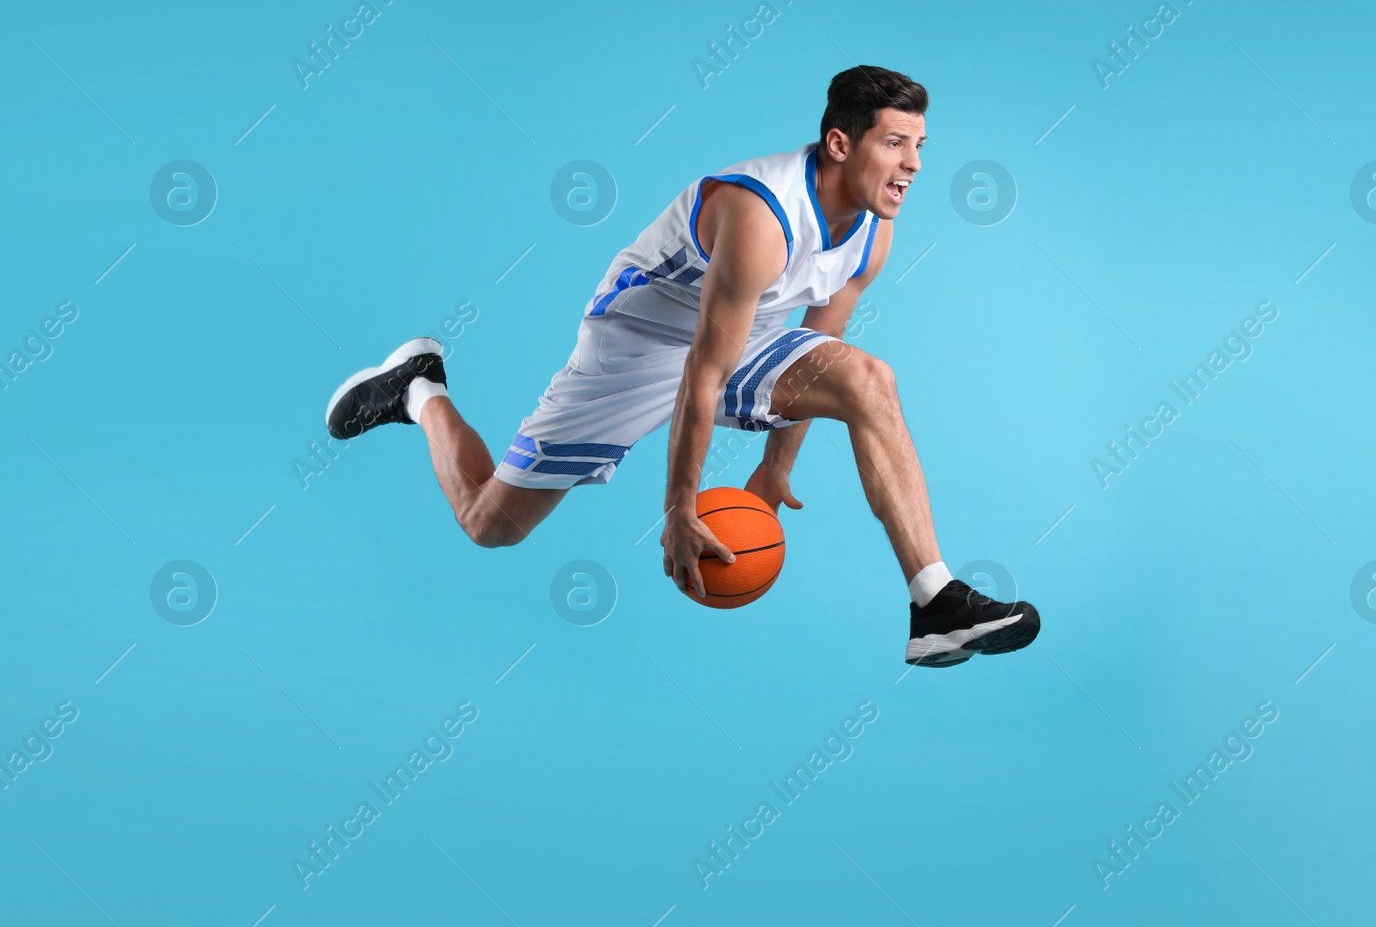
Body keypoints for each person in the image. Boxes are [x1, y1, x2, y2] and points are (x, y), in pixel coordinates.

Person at [324, 66, 1038, 667]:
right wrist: (679, 509)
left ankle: (933, 601)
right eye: (895, 142)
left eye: (919, 145)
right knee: (491, 523)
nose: (915, 163)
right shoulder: (759, 214)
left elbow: (828, 349)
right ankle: (419, 388)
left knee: (871, 379)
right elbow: (700, 370)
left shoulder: (873, 234)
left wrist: (777, 466)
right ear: (840, 143)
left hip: (741, 331)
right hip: (636, 340)